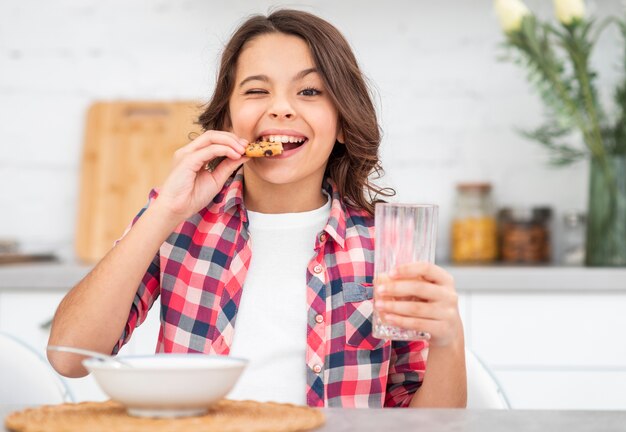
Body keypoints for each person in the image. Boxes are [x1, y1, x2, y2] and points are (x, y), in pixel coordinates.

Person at [48, 9, 466, 408]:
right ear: (228, 120)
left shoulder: (384, 245)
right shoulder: (176, 224)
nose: (280, 107)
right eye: (256, 90)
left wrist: (449, 338)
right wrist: (165, 212)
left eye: (309, 91)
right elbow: (69, 357)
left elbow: (425, 419)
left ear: (341, 122)